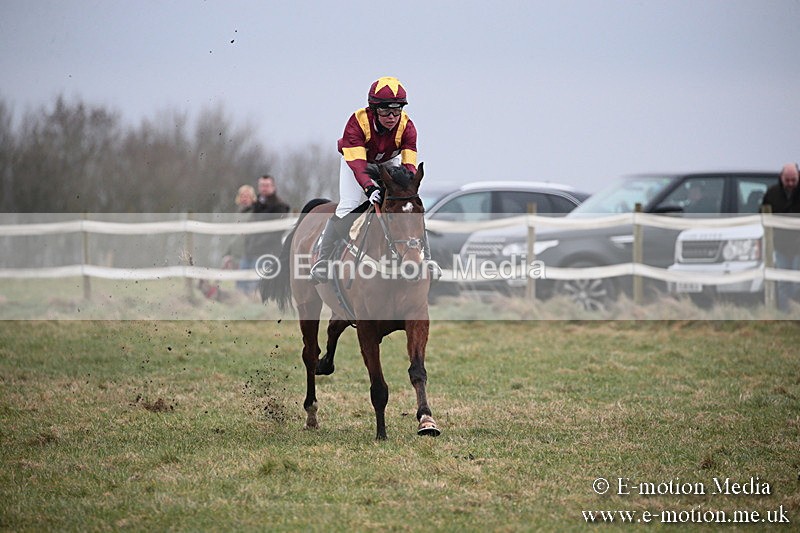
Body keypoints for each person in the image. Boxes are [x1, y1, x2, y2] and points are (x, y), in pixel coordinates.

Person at [310, 76, 440, 283]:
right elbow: (359, 166)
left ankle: (428, 259)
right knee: (349, 206)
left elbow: (409, 165)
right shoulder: (357, 122)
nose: (392, 116)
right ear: (373, 109)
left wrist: (406, 187)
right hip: (357, 160)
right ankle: (323, 260)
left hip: (388, 162)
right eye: (385, 110)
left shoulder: (407, 127)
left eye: (397, 111)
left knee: (408, 204)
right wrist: (369, 188)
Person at [761, 162, 800, 311]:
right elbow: (763, 214)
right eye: (787, 180)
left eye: (793, 180)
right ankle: (785, 315)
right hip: (781, 245)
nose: (790, 183)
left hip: (798, 247)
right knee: (782, 282)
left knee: (798, 282)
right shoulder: (772, 194)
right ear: (781, 178)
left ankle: (796, 313)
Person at [242, 175, 290, 293]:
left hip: (268, 250)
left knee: (258, 283)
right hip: (250, 249)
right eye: (262, 185)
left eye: (267, 185)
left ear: (273, 187)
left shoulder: (280, 206)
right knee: (242, 282)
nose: (264, 188)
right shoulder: (254, 205)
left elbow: (277, 230)